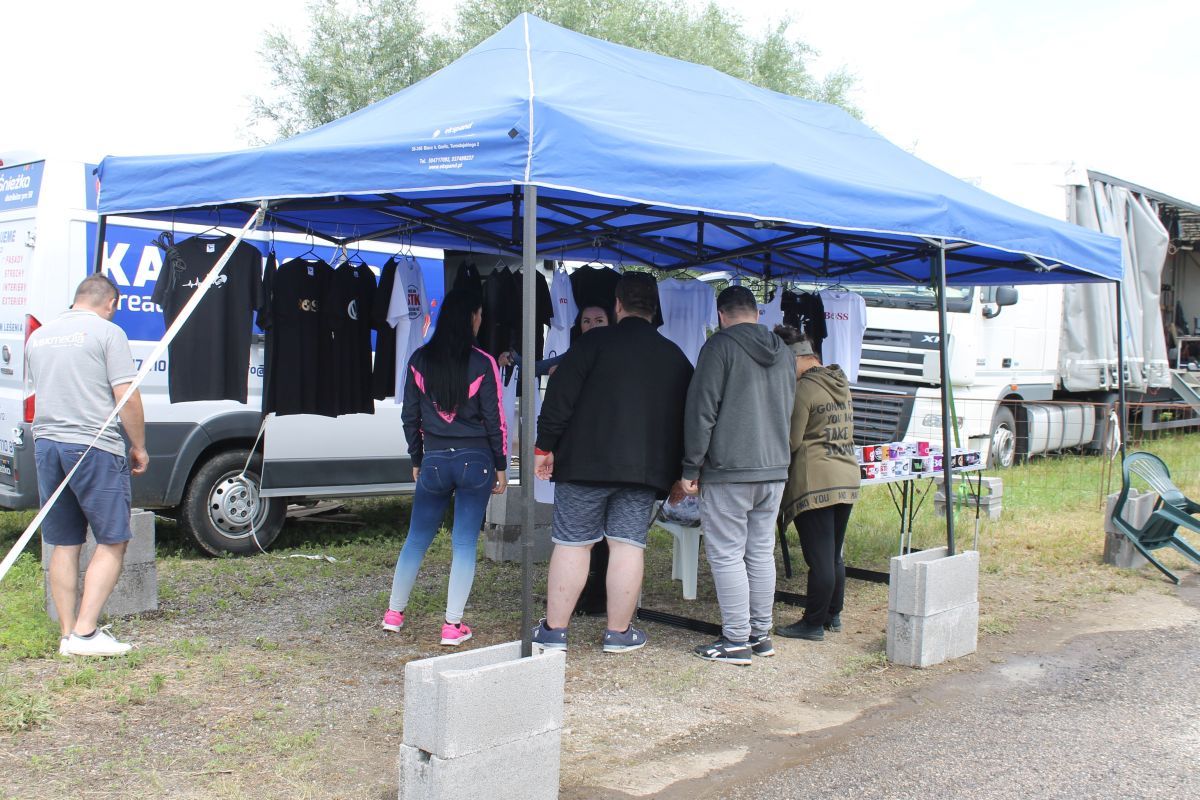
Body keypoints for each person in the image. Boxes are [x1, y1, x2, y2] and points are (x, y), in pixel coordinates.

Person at [531, 273, 692, 653]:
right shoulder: (675, 357)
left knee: (573, 545)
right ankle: (618, 634)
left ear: (617, 305)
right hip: (643, 471)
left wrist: (544, 447)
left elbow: (559, 397)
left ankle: (554, 632)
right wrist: (680, 474)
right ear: (655, 309)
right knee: (627, 546)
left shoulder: (592, 343)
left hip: (583, 466)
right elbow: (688, 421)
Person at [25, 275, 149, 657]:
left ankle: (68, 635)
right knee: (113, 539)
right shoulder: (108, 333)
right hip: (93, 445)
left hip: (47, 445)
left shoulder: (39, 337)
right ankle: (86, 632)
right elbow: (126, 396)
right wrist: (139, 446)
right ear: (110, 303)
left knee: (63, 541)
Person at [383, 289, 508, 646]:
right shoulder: (484, 362)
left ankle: (394, 614)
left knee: (416, 540)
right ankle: (452, 626)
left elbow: (409, 417)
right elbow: (495, 420)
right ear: (472, 318)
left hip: (434, 461)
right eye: (479, 314)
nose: (481, 320)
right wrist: (501, 466)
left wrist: (417, 458)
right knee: (464, 542)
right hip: (476, 461)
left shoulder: (419, 360)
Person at [681, 285, 796, 666]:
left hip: (729, 468)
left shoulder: (719, 346)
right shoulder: (784, 351)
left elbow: (702, 410)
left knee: (727, 554)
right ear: (757, 313)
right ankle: (760, 635)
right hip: (774, 467)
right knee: (760, 552)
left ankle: (734, 640)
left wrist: (690, 466)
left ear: (720, 315)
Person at [774, 325, 860, 641]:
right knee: (833, 554)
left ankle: (812, 623)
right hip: (846, 475)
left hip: (816, 483)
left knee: (819, 558)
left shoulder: (805, 389)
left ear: (792, 359)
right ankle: (832, 614)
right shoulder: (839, 383)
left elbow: (791, 441)